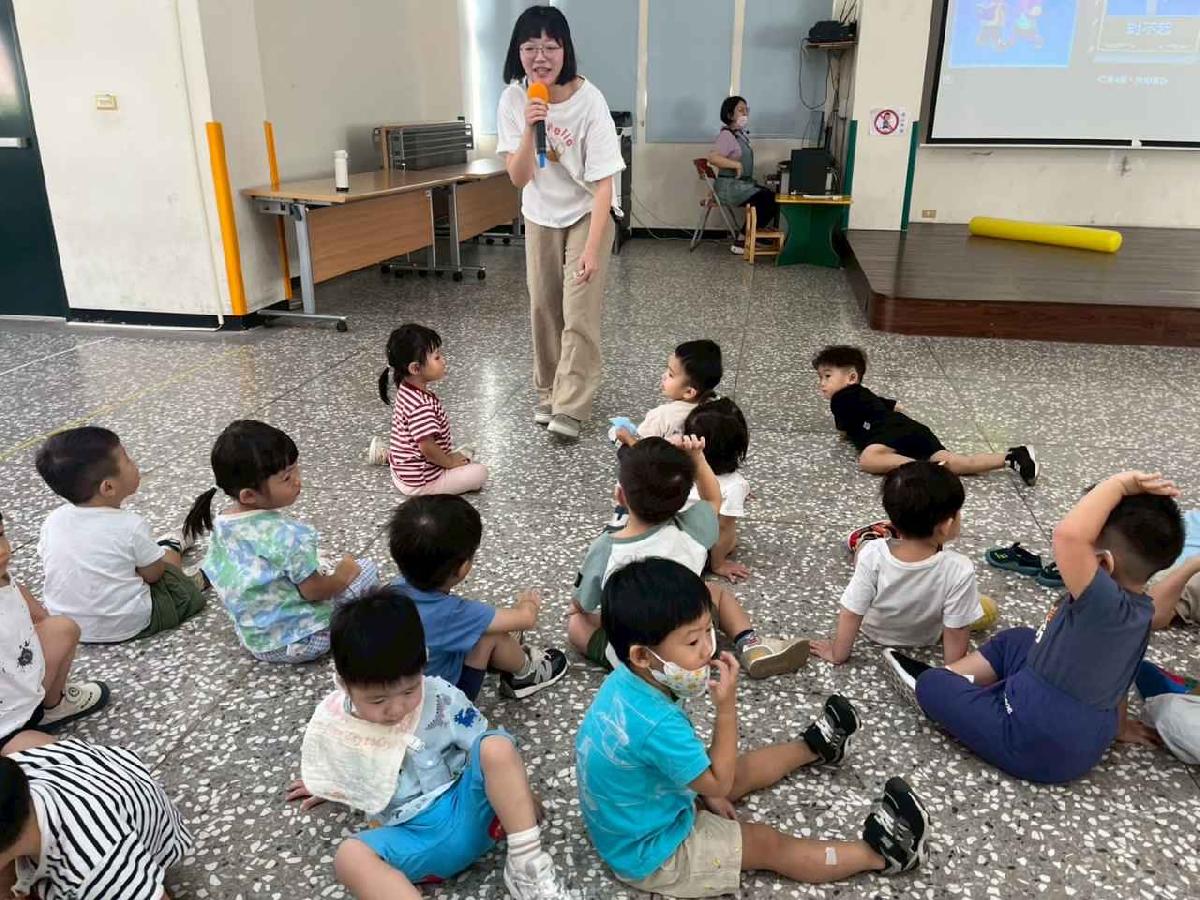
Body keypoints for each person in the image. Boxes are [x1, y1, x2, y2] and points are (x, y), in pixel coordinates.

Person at [575, 559, 930, 896]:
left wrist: (710, 789)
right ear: (641, 655)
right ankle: (884, 853)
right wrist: (726, 709)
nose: (707, 650)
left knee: (729, 771)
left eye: (708, 631)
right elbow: (718, 781)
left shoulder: (628, 680)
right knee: (766, 842)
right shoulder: (656, 723)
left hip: (635, 812)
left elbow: (694, 770)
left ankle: (816, 745)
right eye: (693, 641)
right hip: (651, 854)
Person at [883, 471, 1185, 784]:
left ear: (1103, 565)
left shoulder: (1101, 602)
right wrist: (1120, 728)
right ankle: (966, 680)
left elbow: (1068, 537)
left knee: (933, 685)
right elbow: (1120, 679)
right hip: (1079, 733)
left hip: (1031, 743)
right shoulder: (1141, 611)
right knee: (1020, 639)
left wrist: (1119, 484)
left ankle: (949, 685)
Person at [286, 587, 575, 900]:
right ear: (345, 684)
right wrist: (325, 783)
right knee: (349, 857)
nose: (396, 708)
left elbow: (485, 751)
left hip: (476, 812)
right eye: (378, 700)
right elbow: (339, 761)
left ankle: (526, 866)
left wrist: (519, 796)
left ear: (423, 663)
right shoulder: (339, 721)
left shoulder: (439, 696)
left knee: (497, 745)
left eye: (409, 690)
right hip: (412, 838)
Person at [568, 436, 808, 679]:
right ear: (684, 499)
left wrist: (578, 608)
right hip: (696, 641)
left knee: (578, 622)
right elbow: (713, 499)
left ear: (620, 496)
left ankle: (638, 670)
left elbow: (583, 602)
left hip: (638, 654)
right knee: (716, 592)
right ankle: (750, 644)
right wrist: (698, 458)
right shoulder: (692, 528)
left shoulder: (606, 547)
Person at [497, 5, 626, 441]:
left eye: (550, 47)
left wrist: (592, 250)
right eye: (530, 47)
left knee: (579, 309)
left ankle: (572, 403)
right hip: (540, 214)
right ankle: (550, 391)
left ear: (565, 50)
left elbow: (605, 184)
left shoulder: (590, 101)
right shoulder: (514, 99)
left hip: (589, 211)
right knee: (543, 307)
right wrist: (528, 127)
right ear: (518, 52)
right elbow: (518, 177)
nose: (540, 57)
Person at [185, 420, 379, 664]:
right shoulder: (287, 535)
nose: (298, 480)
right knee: (367, 570)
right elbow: (314, 591)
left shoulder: (223, 523)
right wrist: (343, 574)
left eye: (296, 469)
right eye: (287, 477)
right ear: (249, 495)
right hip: (304, 640)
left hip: (257, 641)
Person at [387, 495, 568, 701]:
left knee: (476, 629)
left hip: (400, 697)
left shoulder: (391, 593)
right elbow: (526, 620)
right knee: (490, 634)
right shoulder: (455, 613)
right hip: (445, 703)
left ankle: (499, 656)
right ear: (463, 567)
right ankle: (526, 674)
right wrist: (528, 604)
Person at [35, 427, 206, 643]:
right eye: (127, 460)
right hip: (128, 623)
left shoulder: (53, 520)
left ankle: (159, 548)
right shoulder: (130, 526)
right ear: (108, 487)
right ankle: (175, 549)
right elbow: (154, 575)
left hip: (69, 625)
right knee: (168, 569)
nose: (135, 464)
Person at [812, 462, 985, 666]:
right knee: (974, 606)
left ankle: (869, 536)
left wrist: (838, 654)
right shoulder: (959, 568)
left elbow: (852, 610)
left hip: (874, 631)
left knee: (865, 550)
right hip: (926, 637)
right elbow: (956, 628)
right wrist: (953, 671)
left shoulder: (873, 554)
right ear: (947, 525)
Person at [0, 737, 193, 900]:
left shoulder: (89, 870)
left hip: (145, 841)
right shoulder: (18, 772)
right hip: (102, 780)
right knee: (19, 741)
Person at [812, 345, 1038, 484]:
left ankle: (921, 468)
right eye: (821, 377)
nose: (822, 383)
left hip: (888, 432)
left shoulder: (841, 398)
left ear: (852, 377)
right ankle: (1012, 457)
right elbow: (883, 403)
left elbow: (843, 430)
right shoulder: (863, 395)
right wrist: (894, 405)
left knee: (868, 459)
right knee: (957, 462)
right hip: (914, 430)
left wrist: (845, 431)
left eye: (827, 376)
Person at [0, 510, 108, 752]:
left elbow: (39, 616)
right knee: (62, 758)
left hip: (27, 686)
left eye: (1, 534)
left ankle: (53, 705)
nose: (3, 550)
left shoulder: (3, 576)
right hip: (5, 729)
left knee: (61, 629)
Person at [368, 324, 488, 496]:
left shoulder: (406, 388)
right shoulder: (421, 406)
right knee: (480, 473)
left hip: (404, 470)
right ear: (415, 368)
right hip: (421, 482)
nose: (444, 360)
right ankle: (396, 459)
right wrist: (449, 462)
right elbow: (427, 448)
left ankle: (388, 456)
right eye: (437, 357)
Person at [678, 398, 752, 582]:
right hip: (693, 557)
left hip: (665, 541)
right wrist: (718, 564)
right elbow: (724, 528)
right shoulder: (735, 485)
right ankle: (715, 562)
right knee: (731, 536)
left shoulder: (677, 468)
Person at [609, 340, 724, 446]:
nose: (663, 376)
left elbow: (641, 451)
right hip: (704, 461)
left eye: (671, 374)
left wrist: (624, 437)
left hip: (665, 461)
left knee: (616, 434)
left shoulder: (662, 416)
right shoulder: (718, 408)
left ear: (689, 392)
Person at [707, 96, 778, 255]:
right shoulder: (727, 136)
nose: (745, 113)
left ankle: (751, 235)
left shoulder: (739, 135)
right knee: (768, 199)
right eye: (740, 110)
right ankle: (742, 240)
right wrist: (736, 165)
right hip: (729, 187)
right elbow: (712, 158)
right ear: (730, 115)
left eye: (747, 110)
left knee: (770, 196)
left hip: (739, 185)